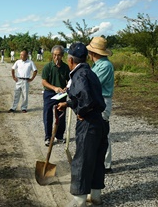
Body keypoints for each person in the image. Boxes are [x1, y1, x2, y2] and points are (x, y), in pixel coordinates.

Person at [57, 43, 108, 207]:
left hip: (88, 123)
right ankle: (95, 195)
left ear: (70, 60)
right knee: (96, 158)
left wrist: (80, 112)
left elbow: (85, 99)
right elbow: (86, 96)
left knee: (83, 159)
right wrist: (69, 104)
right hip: (99, 121)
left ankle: (79, 201)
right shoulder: (90, 72)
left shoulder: (78, 75)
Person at [87, 36, 114, 175]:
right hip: (97, 99)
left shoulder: (105, 66)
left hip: (103, 99)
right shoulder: (97, 64)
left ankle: (106, 164)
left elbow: (94, 82)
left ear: (94, 53)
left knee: (103, 130)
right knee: (97, 130)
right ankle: (99, 160)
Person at [41, 45, 70, 146]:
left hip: (61, 93)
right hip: (49, 93)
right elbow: (44, 82)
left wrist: (67, 87)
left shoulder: (66, 67)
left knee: (61, 114)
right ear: (52, 55)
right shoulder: (48, 67)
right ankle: (48, 137)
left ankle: (59, 136)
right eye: (54, 55)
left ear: (62, 56)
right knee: (47, 114)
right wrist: (54, 88)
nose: (56, 58)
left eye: (59, 55)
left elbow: (69, 80)